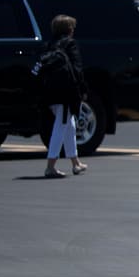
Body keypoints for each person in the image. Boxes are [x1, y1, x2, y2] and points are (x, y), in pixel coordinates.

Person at [43, 14, 88, 178]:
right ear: (69, 30)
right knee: (61, 127)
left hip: (50, 91)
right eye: (72, 28)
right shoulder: (70, 45)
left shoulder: (50, 45)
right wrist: (82, 89)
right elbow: (77, 69)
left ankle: (75, 163)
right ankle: (50, 166)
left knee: (69, 125)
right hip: (65, 92)